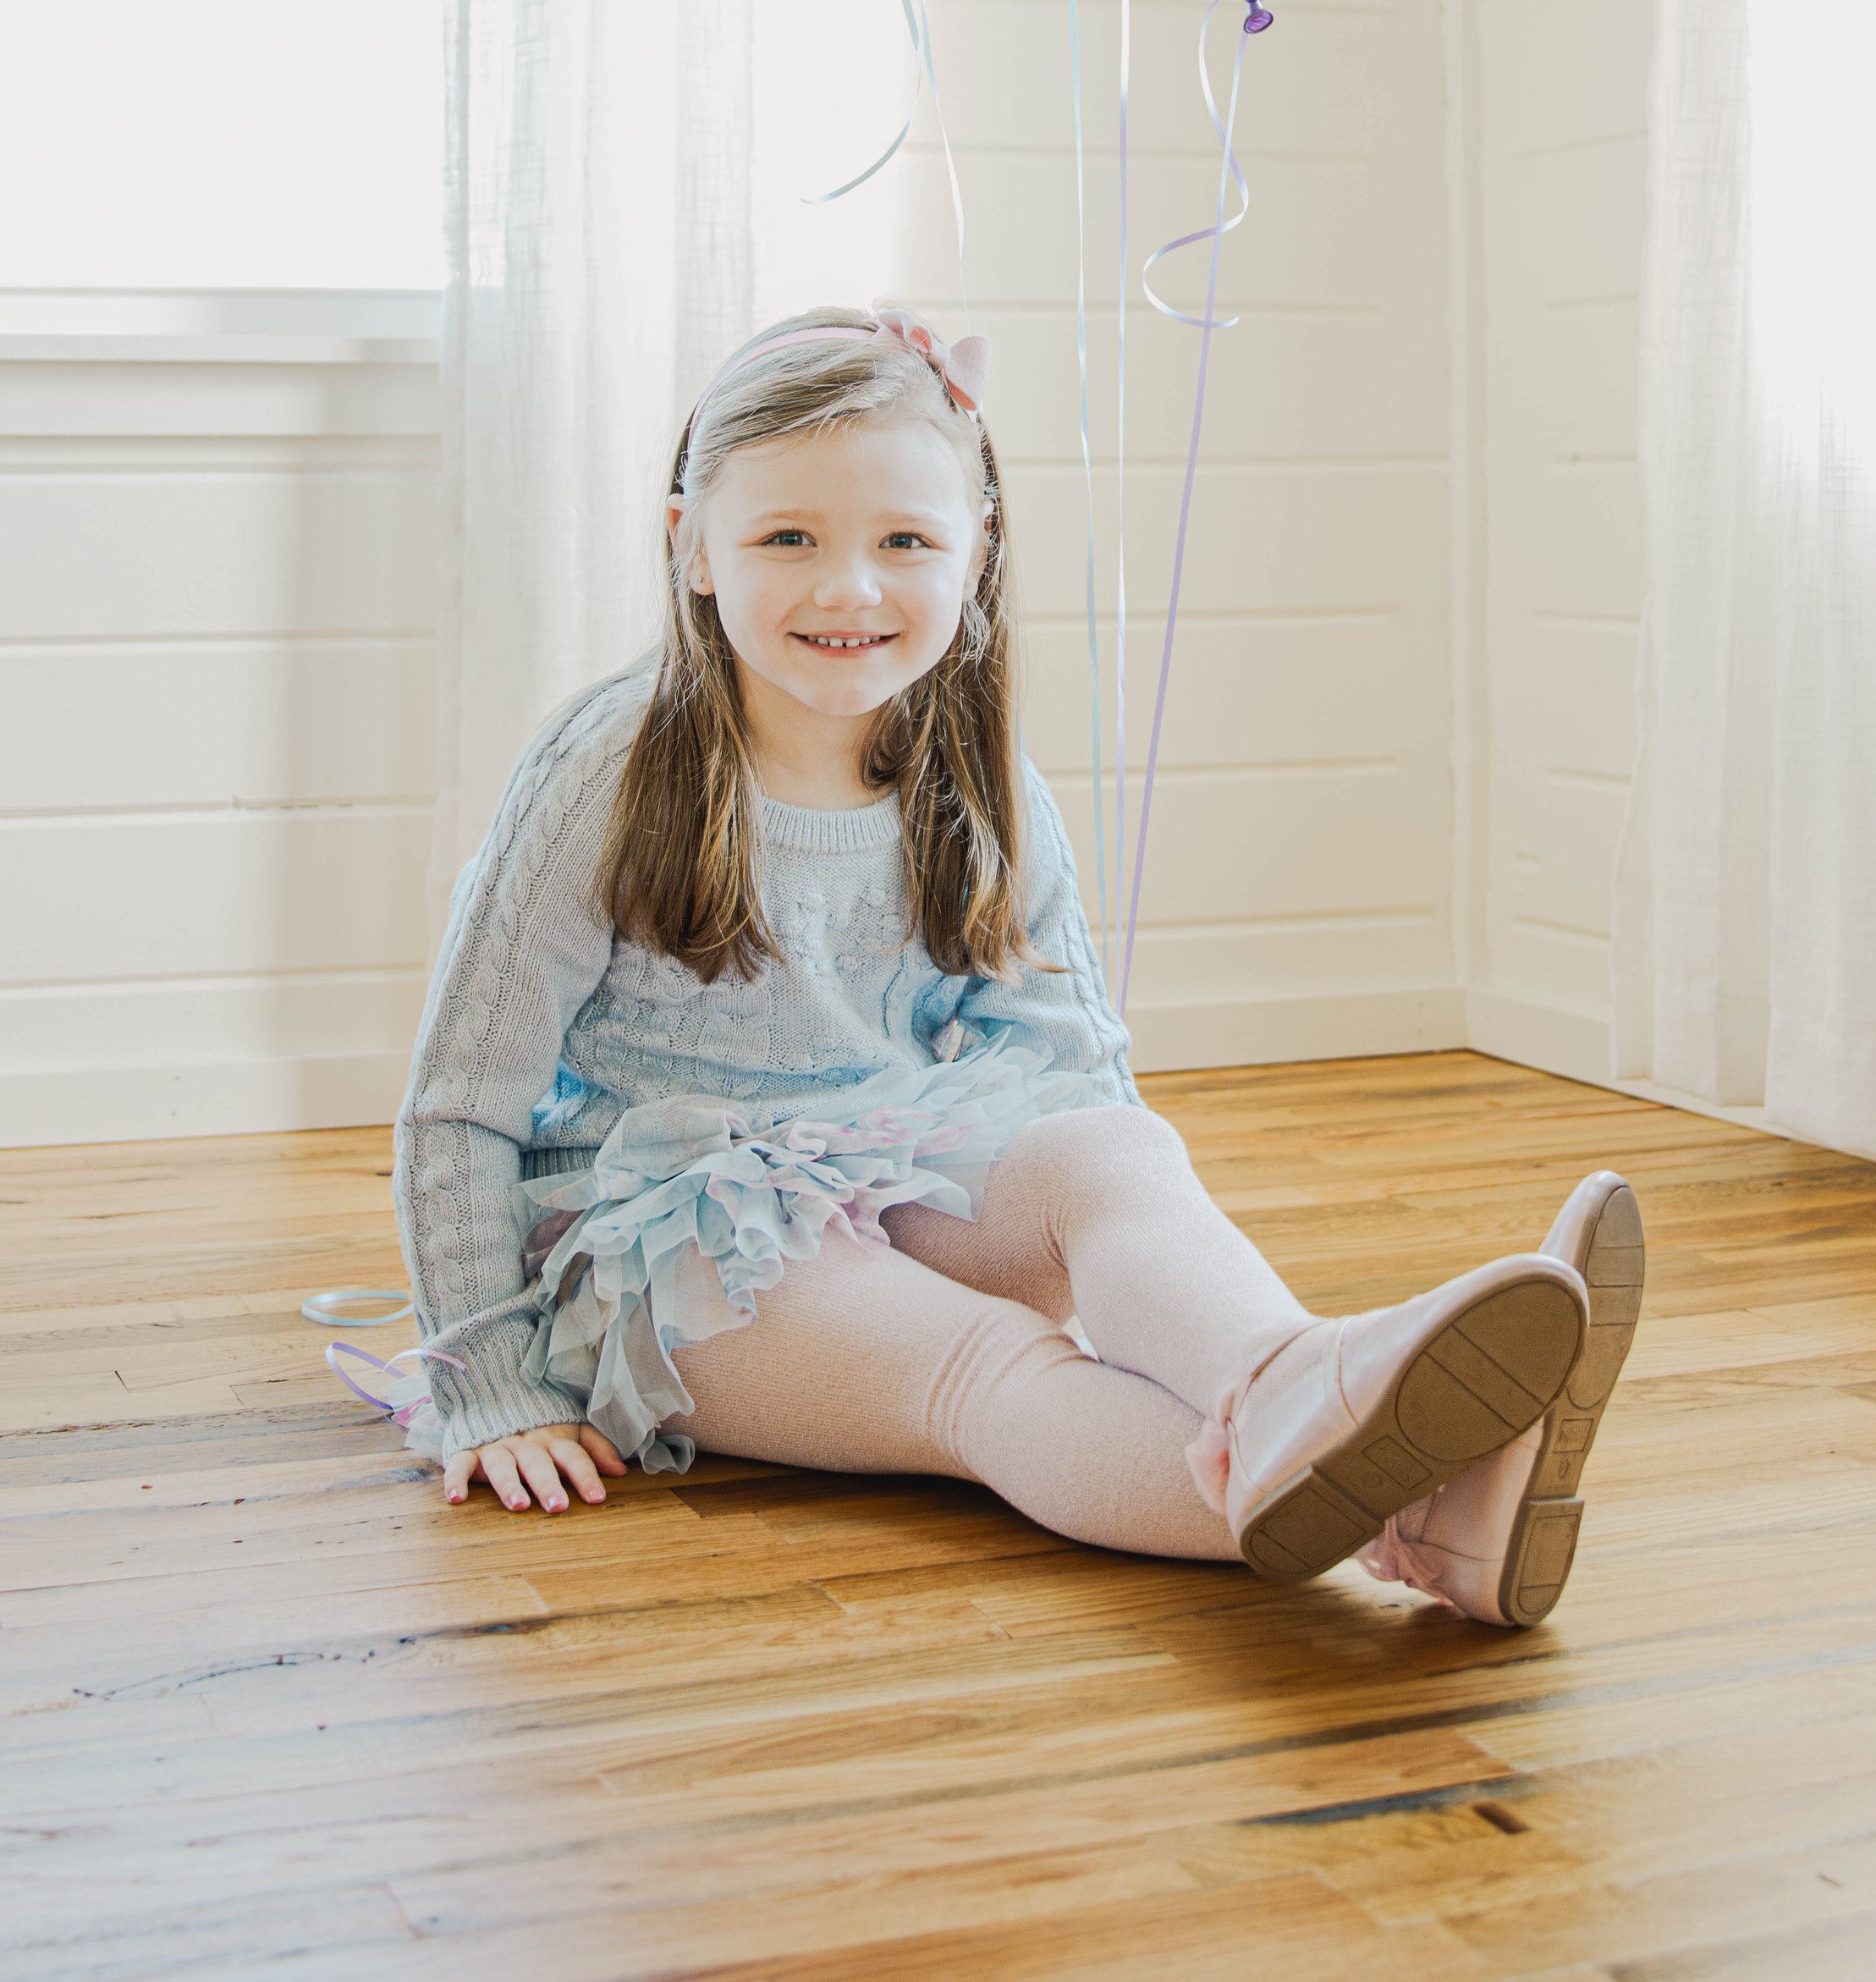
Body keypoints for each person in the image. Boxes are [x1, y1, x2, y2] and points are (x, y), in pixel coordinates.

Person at [387, 308, 1643, 1615]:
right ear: (691, 547)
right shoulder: (608, 771)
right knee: (989, 1368)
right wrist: (491, 1383)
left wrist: (1147, 1306)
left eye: (905, 540)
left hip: (887, 1172)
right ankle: (1415, 1515)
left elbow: (1071, 1058)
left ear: (977, 549)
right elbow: (458, 1105)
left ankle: (1285, 1379)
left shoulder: (976, 773)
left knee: (1112, 1150)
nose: (849, 587)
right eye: (788, 538)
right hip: (668, 1252)